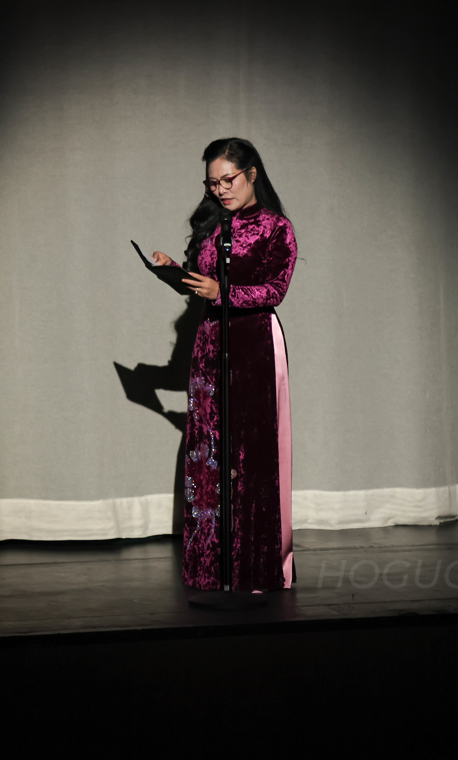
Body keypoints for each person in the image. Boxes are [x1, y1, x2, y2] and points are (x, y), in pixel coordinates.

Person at [151, 138, 297, 592]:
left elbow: (275, 290)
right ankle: (210, 567)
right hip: (211, 342)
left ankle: (256, 569)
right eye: (212, 183)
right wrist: (175, 273)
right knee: (209, 455)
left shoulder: (276, 228)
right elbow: (203, 284)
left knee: (252, 456)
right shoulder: (214, 225)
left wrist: (224, 293)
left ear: (252, 174)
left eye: (227, 180)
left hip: (255, 345)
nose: (220, 190)